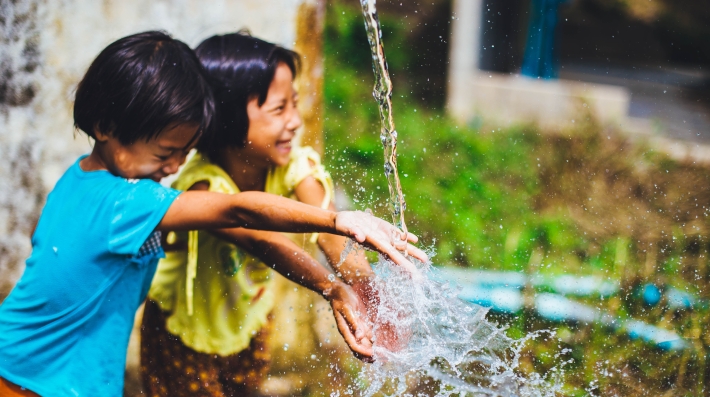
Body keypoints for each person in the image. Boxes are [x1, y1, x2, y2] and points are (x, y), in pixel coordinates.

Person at [0, 31, 424, 397]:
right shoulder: (126, 201)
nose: (173, 168)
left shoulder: (80, 180)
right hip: (36, 380)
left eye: (184, 152)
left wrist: (354, 284)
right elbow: (240, 212)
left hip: (41, 368)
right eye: (166, 153)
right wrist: (337, 222)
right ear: (107, 126)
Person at [139, 32, 398, 397]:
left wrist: (365, 285)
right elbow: (264, 241)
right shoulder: (202, 185)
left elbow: (329, 229)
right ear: (227, 118)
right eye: (279, 109)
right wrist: (330, 287)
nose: (294, 121)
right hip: (184, 329)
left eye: (294, 104)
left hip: (250, 316)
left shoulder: (292, 165)